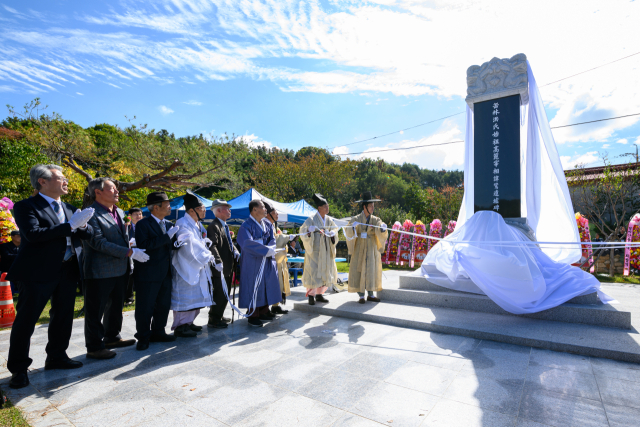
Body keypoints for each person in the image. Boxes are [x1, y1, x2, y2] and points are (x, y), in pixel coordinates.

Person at [6, 164, 94, 389]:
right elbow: (33, 235)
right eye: (60, 178)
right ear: (42, 181)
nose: (65, 181)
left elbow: (87, 233)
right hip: (37, 272)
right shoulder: (26, 206)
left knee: (63, 316)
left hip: (67, 268)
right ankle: (18, 368)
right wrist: (69, 226)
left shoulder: (69, 208)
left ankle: (56, 356)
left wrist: (82, 225)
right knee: (27, 321)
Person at [82, 178, 146, 360]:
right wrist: (129, 252)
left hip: (121, 268)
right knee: (96, 310)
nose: (117, 191)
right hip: (100, 270)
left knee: (116, 306)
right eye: (112, 189)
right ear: (98, 192)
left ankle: (112, 337)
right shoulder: (91, 214)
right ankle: (94, 347)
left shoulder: (119, 211)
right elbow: (98, 242)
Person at [134, 191, 180, 350]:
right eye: (167, 204)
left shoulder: (168, 224)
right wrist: (167, 237)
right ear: (155, 207)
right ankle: (143, 337)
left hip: (166, 272)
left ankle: (158, 331)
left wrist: (179, 243)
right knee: (145, 306)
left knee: (163, 305)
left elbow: (170, 245)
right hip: (148, 273)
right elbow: (145, 245)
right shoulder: (143, 224)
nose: (170, 207)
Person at [169, 191, 214, 338]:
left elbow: (199, 242)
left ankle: (189, 322)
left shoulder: (197, 224)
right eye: (202, 208)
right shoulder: (182, 223)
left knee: (196, 294)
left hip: (196, 265)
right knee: (186, 296)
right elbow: (189, 245)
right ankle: (181, 326)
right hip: (185, 265)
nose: (204, 210)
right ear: (191, 210)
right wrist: (206, 255)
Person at [236, 200, 281, 327]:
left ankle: (264, 310)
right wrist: (265, 250)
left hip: (266, 258)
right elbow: (246, 243)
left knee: (267, 283)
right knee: (253, 285)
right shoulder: (246, 225)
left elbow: (272, 239)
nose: (265, 209)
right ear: (254, 210)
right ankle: (253, 314)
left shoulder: (267, 223)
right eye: (262, 207)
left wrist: (270, 249)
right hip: (253, 260)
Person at [344, 191, 388, 304]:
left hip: (372, 249)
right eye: (370, 206)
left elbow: (380, 226)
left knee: (371, 271)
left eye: (373, 206)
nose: (372, 208)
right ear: (364, 207)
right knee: (359, 271)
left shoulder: (375, 219)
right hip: (360, 249)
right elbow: (347, 229)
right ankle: (361, 296)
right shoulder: (356, 218)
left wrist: (383, 228)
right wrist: (352, 228)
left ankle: (371, 294)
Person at [300, 194, 339, 305]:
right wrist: (308, 231)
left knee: (325, 272)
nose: (327, 208)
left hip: (326, 250)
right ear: (319, 208)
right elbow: (302, 231)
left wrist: (332, 233)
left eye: (327, 206)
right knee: (313, 272)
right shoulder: (311, 219)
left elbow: (335, 229)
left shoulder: (329, 220)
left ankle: (319, 294)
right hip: (315, 251)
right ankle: (311, 296)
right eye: (325, 206)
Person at [207, 199, 239, 329]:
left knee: (226, 293)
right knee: (220, 293)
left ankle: (219, 315)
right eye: (227, 208)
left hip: (228, 266)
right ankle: (214, 318)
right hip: (220, 267)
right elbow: (212, 246)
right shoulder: (213, 226)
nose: (229, 210)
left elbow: (228, 244)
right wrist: (218, 261)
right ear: (218, 210)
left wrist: (235, 250)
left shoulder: (224, 225)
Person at [263, 201, 293, 315]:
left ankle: (275, 306)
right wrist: (285, 237)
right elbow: (274, 240)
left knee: (278, 282)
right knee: (271, 284)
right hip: (270, 260)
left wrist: (285, 238)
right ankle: (266, 308)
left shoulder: (274, 225)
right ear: (268, 214)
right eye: (275, 212)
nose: (277, 215)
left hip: (278, 260)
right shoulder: (265, 224)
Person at [124, 207, 143, 306]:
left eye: (140, 214)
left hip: (142, 254)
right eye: (136, 214)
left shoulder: (145, 226)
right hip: (130, 253)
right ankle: (129, 297)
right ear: (130, 216)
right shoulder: (126, 226)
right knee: (130, 276)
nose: (138, 216)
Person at [0, 230, 21, 295]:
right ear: (12, 237)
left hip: (21, 269)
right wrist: (22, 256)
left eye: (21, 236)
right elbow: (7, 256)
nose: (20, 238)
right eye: (18, 236)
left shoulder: (23, 246)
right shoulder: (5, 246)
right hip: (8, 269)